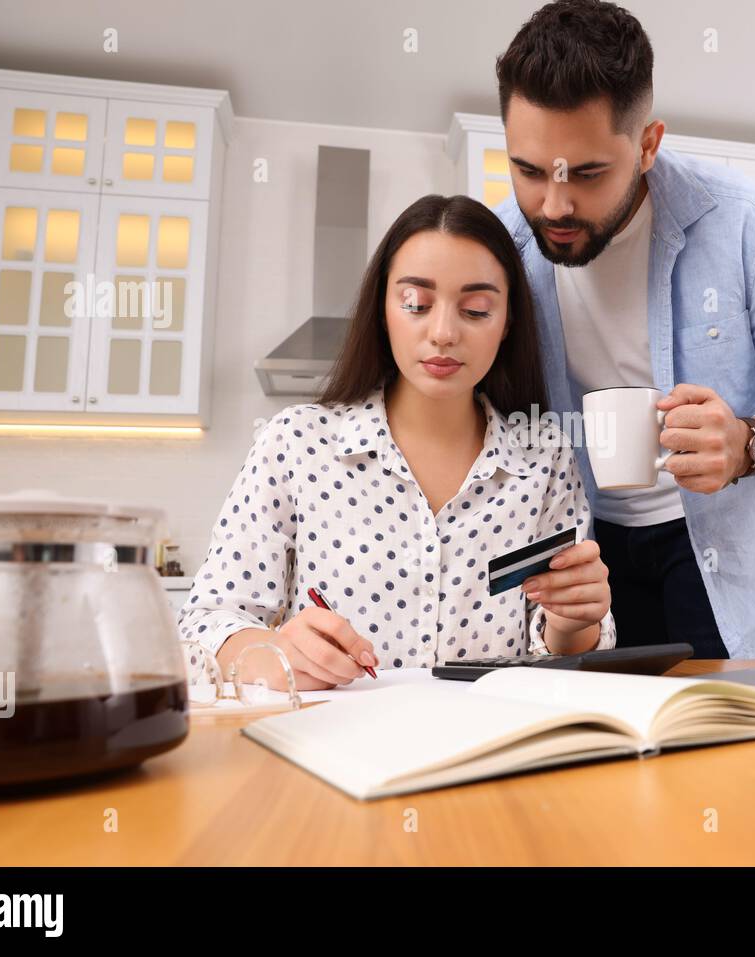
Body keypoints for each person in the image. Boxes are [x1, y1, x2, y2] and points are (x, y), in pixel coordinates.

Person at [492, 0, 755, 659]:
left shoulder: (743, 225)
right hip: (588, 551)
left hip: (730, 550)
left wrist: (748, 443)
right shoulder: (502, 246)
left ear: (647, 145)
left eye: (587, 174)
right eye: (530, 171)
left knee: (738, 750)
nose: (554, 206)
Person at [178, 195, 615, 690]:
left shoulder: (546, 457)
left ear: (508, 322)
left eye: (476, 309)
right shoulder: (295, 443)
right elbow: (201, 630)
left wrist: (573, 619)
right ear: (383, 311)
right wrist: (275, 653)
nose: (444, 332)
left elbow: (565, 656)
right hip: (338, 752)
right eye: (415, 304)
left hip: (492, 751)